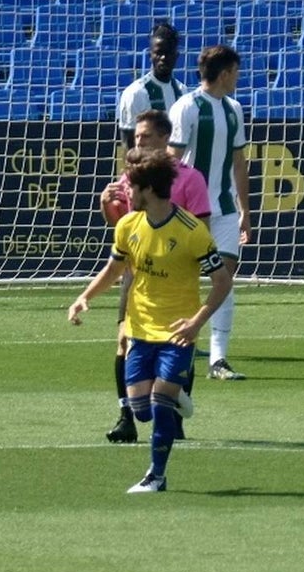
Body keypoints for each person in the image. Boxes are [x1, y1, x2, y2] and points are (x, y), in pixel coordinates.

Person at [69, 148, 232, 494]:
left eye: (130, 185)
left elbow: (222, 281)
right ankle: (176, 399)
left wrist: (197, 321)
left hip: (178, 332)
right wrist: (85, 297)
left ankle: (156, 475)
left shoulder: (192, 231)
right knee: (140, 409)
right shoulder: (128, 225)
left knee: (159, 405)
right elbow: (114, 269)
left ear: (147, 189)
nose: (124, 191)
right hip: (140, 328)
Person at [99, 109, 211, 444]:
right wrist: (107, 205)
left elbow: (201, 231)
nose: (139, 141)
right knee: (123, 342)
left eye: (146, 136)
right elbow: (120, 225)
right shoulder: (128, 176)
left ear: (165, 138)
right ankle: (127, 417)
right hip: (136, 275)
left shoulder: (189, 178)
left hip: (175, 279)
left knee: (177, 341)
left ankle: (173, 417)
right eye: (136, 136)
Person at [168, 44, 251, 381]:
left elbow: (239, 162)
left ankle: (218, 359)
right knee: (183, 279)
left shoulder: (234, 109)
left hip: (226, 208)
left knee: (224, 278)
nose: (238, 78)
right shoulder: (186, 107)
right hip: (190, 211)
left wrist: (246, 210)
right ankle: (176, 346)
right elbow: (173, 161)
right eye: (236, 72)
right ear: (225, 73)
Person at [116, 21, 187, 149]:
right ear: (150, 56)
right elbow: (128, 143)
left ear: (176, 56)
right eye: (159, 53)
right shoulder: (135, 93)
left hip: (175, 167)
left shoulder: (183, 92)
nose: (163, 58)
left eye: (168, 53)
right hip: (148, 167)